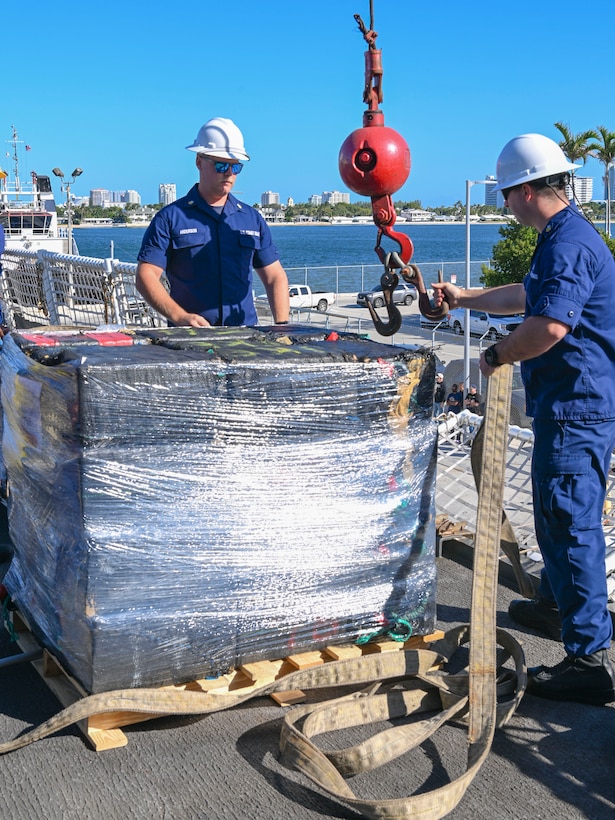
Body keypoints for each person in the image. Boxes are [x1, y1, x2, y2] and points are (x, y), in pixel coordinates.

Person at [432, 133, 615, 705]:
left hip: (577, 406)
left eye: (507, 195)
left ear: (530, 189)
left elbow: (550, 327)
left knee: (569, 521)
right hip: (569, 405)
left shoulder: (568, 245)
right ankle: (556, 606)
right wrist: (463, 299)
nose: (503, 206)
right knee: (552, 513)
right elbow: (526, 298)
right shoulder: (562, 238)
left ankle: (588, 659)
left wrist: (494, 356)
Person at [136, 117, 290, 327]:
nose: (229, 173)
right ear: (199, 161)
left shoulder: (252, 219)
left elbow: (275, 278)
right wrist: (180, 317)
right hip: (191, 339)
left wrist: (282, 327)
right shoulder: (170, 218)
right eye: (221, 165)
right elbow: (146, 275)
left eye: (235, 167)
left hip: (243, 338)